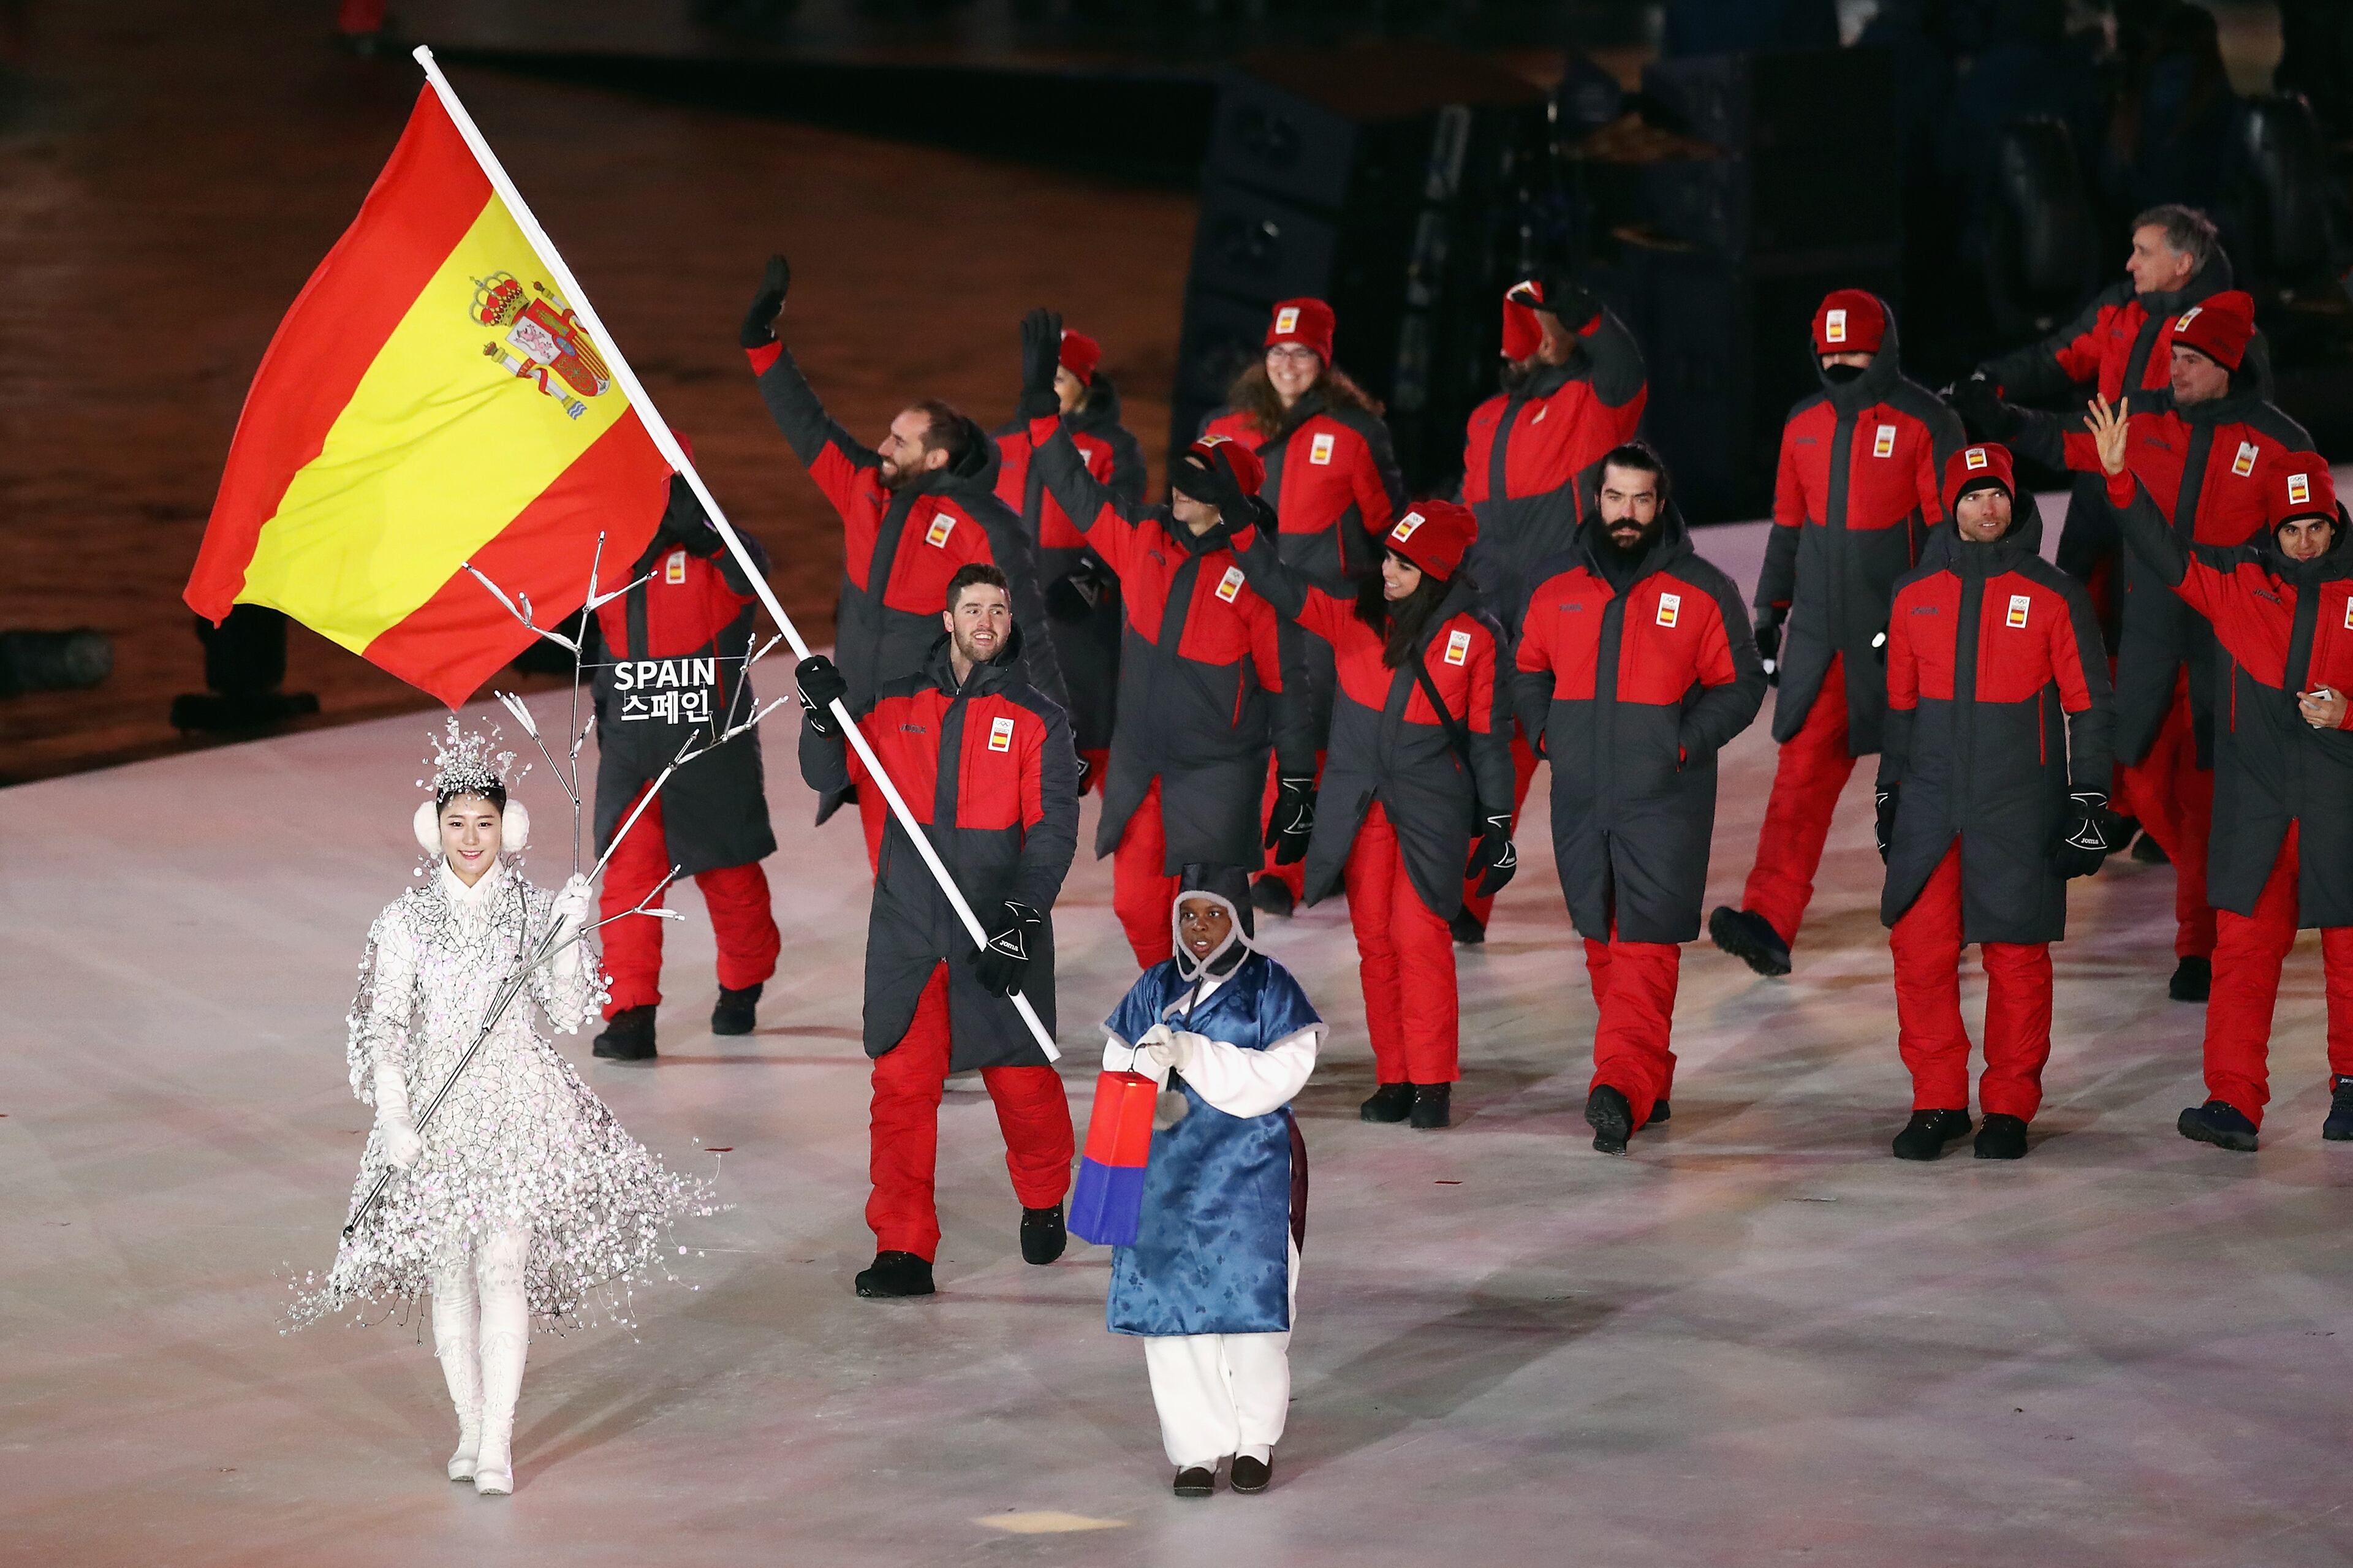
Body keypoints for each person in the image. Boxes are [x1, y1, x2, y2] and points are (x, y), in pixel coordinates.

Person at [289, 721, 710, 1495]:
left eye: (485, 823)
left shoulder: (534, 910)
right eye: (457, 824)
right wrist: (394, 1114)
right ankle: (470, 1425)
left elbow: (570, 1008)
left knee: (503, 1265)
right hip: (436, 1116)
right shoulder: (405, 921)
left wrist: (569, 934)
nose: (471, 838)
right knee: (450, 1273)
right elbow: (384, 1023)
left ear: (508, 829)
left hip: (519, 1104)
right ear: (434, 830)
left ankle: (499, 1445)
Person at [1982, 289, 2309, 1000]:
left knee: (2207, 800)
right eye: (2175, 356)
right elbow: (2069, 436)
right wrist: (2003, 420)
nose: (2176, 369)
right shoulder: (2147, 417)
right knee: (2136, 776)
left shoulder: (2282, 443)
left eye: (2191, 359)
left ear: (2226, 365)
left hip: (2231, 651)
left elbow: (2312, 550)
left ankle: (2202, 945)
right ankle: (2201, 916)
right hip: (2152, 637)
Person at [795, 564, 1080, 1297]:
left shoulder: (1037, 717)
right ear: (946, 618)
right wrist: (823, 716)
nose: (986, 621)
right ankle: (903, 1247)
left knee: (1021, 1084)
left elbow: (1051, 831)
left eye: (998, 610)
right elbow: (825, 770)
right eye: (972, 609)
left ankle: (1045, 1194)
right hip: (910, 931)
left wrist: (1021, 919)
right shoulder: (896, 704)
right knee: (900, 1088)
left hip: (996, 928)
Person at [2090, 404, 2353, 1151]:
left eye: (2317, 528)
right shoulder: (2237, 588)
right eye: (2291, 530)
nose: (2305, 543)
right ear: (2271, 533)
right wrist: (2119, 478)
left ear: (2335, 525)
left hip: (2340, 807)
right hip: (2259, 814)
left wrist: (2349, 713)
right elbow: (2163, 551)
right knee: (2241, 956)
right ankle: (2234, 1103)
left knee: (2351, 954)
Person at [1014, 311, 1309, 968]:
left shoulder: (1258, 580)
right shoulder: (1144, 540)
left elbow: (1288, 689)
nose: (1178, 490)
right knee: (1137, 905)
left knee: (1215, 916)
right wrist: (1041, 410)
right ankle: (1169, 997)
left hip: (1219, 771)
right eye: (1181, 477)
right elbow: (1074, 486)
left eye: (1198, 485)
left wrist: (1295, 780)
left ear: (1230, 501)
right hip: (1143, 761)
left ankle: (1219, 1031)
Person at [738, 253, 1065, 840]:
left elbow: (1027, 631)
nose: (882, 446)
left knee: (947, 877)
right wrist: (762, 344)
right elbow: (808, 424)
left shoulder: (975, 521)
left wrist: (1057, 740)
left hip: (932, 734)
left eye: (899, 440)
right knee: (888, 875)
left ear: (936, 458)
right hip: (863, 723)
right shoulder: (864, 486)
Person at [1224, 487, 1515, 1130]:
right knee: (1376, 942)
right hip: (1361, 810)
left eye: (1404, 564)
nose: (1387, 572)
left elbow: (1491, 739)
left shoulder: (1472, 638)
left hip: (1429, 809)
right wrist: (1244, 532)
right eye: (1388, 558)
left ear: (1435, 573)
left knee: (1420, 937)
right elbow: (1278, 584)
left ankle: (1433, 1079)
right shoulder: (1352, 617)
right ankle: (1396, 1077)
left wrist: (1499, 824)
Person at [1513, 444, 1766, 1154]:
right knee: (1601, 940)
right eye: (1616, 498)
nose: (1628, 514)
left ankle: (1618, 1086)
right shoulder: (1557, 588)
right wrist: (1544, 733)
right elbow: (1528, 667)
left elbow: (1741, 685)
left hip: (1665, 799)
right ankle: (1643, 1077)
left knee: (1645, 946)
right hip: (1581, 795)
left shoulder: (1702, 590)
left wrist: (1679, 745)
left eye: (1642, 500)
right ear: (1597, 500)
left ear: (1663, 504)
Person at [1876, 442, 2118, 1162]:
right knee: (1918, 954)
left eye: (1998, 495)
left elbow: (2091, 706)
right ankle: (1937, 1101)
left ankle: (2009, 1105)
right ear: (1951, 505)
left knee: (2015, 957)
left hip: (2018, 807)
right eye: (1973, 494)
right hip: (1930, 804)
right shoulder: (1916, 594)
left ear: (2015, 503)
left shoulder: (2054, 594)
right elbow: (1900, 706)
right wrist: (1890, 788)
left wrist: (2089, 801)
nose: (1988, 507)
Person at [1712, 290, 1964, 977]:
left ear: (1883, 348)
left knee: (1921, 783)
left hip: (1902, 641)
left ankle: (1951, 912)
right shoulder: (1803, 426)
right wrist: (1768, 614)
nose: (1841, 363)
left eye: (1854, 350)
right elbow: (1788, 528)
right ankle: (1769, 917)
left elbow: (1951, 530)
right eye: (1829, 351)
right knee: (1799, 777)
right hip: (1822, 641)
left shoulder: (1926, 422)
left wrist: (1929, 622)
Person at [1102, 866, 1322, 1499]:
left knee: (1254, 1316)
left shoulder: (1269, 986)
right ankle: (1195, 1448)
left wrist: (1195, 1056)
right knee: (1173, 1317)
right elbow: (1120, 1065)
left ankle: (1255, 1439)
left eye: (1215, 916)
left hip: (1248, 1175)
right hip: (1165, 1178)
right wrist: (1148, 1057)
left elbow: (1284, 1070)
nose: (1200, 931)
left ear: (1239, 919)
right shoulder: (1154, 985)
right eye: (1190, 916)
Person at [1455, 269, 1648, 942]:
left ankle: (1616, 901)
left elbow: (1626, 369)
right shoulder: (1485, 421)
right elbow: (1469, 515)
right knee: (1492, 757)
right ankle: (1467, 900)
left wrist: (1593, 317)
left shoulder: (1591, 401)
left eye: (1552, 330)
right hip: (1497, 613)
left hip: (1570, 613)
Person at [1200, 297, 1408, 918]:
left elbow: (1387, 523)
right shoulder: (1225, 429)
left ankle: (1284, 871)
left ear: (1324, 359)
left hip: (1321, 611)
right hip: (1242, 607)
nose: (1289, 365)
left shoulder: (1355, 431)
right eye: (1278, 351)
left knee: (1305, 740)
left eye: (1303, 353)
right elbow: (1192, 514)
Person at [1957, 203, 2234, 651]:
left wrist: (2017, 424)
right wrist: (1991, 380)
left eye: (2143, 252)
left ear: (2182, 264)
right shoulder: (2120, 306)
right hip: (2095, 486)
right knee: (2077, 619)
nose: (2130, 263)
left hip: (2164, 505)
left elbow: (2166, 424)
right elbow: (2058, 357)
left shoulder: (2220, 332)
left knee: (2145, 639)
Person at [588, 463, 782, 1061]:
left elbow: (757, 576)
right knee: (627, 885)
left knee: (731, 879)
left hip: (710, 754)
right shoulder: (612, 562)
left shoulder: (722, 560)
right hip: (634, 757)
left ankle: (743, 984)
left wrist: (713, 535)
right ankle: (630, 1017)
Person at [993, 322, 1145, 795]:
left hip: (1078, 611)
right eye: (1039, 378)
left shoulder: (1111, 446)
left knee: (1093, 728)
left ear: (1085, 382)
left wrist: (1093, 577)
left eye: (1057, 378)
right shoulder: (1000, 444)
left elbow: (1126, 517)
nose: (1045, 389)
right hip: (1012, 605)